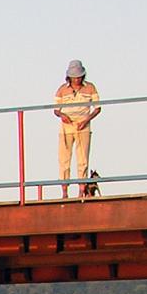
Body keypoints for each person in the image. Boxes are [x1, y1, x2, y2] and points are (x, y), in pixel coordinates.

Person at [54, 59, 100, 196]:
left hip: (83, 124)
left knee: (83, 159)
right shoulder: (62, 89)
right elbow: (56, 110)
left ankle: (81, 189)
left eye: (79, 77)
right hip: (66, 126)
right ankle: (64, 191)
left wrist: (86, 120)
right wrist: (62, 115)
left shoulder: (90, 87)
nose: (77, 80)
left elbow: (98, 108)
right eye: (74, 77)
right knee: (64, 159)